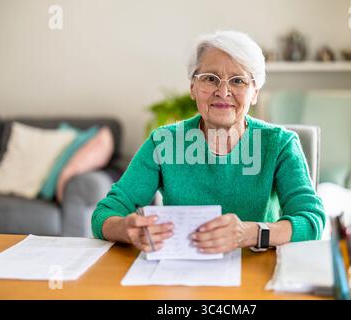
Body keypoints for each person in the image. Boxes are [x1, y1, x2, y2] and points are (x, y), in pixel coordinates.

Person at [92, 30, 325, 253]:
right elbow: (105, 214)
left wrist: (251, 233)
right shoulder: (164, 142)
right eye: (210, 79)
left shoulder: (280, 144)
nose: (223, 91)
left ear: (255, 92)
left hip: (257, 273)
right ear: (193, 87)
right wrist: (127, 229)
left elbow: (311, 221)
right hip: (180, 275)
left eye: (238, 81)